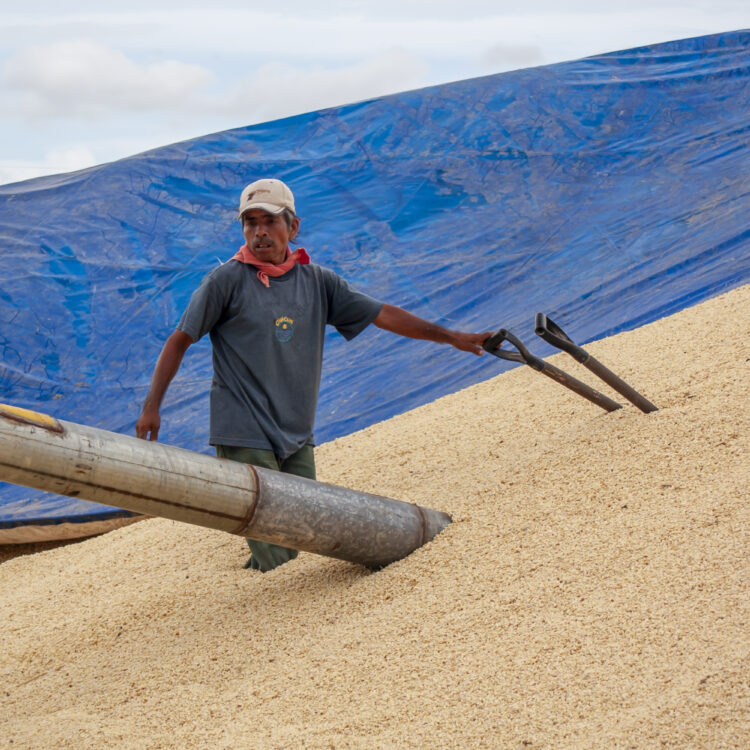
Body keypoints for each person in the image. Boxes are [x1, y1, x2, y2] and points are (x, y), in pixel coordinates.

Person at [136, 178, 491, 572]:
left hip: (296, 433)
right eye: (250, 223)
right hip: (244, 432)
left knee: (304, 536)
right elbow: (178, 341)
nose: (259, 232)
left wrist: (452, 337)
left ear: (293, 226)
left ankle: (271, 597)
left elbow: (383, 314)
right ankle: (276, 624)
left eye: (269, 221)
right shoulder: (226, 281)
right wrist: (152, 409)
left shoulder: (317, 282)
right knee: (279, 550)